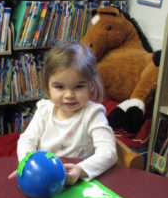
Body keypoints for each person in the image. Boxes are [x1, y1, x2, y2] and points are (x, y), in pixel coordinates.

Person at [8, 42, 117, 185]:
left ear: (91, 85)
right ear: (48, 86)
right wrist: (27, 163)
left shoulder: (93, 114)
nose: (69, 95)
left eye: (78, 86)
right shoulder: (44, 110)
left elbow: (109, 152)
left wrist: (81, 169)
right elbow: (27, 140)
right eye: (59, 87)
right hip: (44, 179)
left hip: (78, 182)